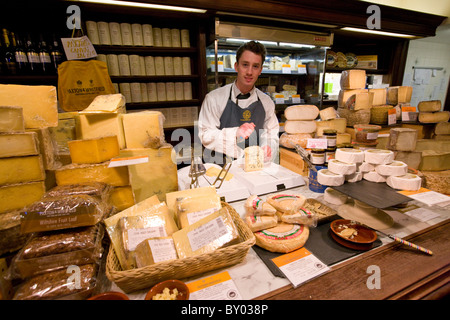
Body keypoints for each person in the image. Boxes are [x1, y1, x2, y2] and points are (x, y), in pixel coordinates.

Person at [198, 40, 279, 165]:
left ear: (261, 70)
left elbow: (271, 133)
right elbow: (205, 135)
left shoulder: (266, 102)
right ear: (236, 66)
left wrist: (268, 147)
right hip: (220, 169)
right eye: (245, 65)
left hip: (253, 168)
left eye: (255, 66)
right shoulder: (214, 98)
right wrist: (235, 132)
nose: (249, 72)